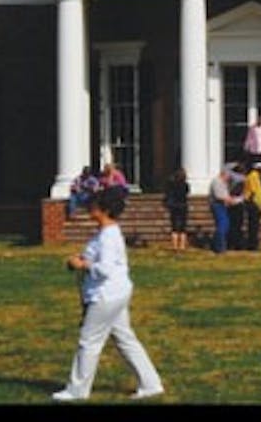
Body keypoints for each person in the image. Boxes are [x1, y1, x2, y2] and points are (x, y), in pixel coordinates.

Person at [52, 186, 164, 402]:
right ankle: (151, 384)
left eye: (93, 206)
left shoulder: (108, 237)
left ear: (103, 210)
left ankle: (77, 391)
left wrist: (82, 264)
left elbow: (105, 269)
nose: (89, 209)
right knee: (124, 338)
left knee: (89, 341)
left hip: (106, 295)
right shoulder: (106, 233)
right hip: (115, 293)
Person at [208, 163, 242, 254]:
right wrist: (235, 200)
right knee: (222, 225)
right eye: (229, 176)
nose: (229, 178)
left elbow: (226, 196)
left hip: (223, 205)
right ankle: (219, 247)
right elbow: (220, 196)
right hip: (217, 205)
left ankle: (218, 245)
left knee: (225, 225)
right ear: (224, 174)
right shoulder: (217, 182)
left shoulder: (223, 183)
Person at [163, 167, 190, 251]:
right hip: (183, 205)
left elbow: (167, 193)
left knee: (174, 226)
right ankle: (182, 245)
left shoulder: (171, 184)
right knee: (183, 227)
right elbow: (187, 193)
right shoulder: (185, 185)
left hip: (174, 206)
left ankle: (174, 245)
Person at [242, 160, 261, 251]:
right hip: (253, 204)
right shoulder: (253, 177)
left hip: (255, 203)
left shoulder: (256, 176)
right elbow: (253, 191)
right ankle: (252, 245)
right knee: (253, 226)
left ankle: (253, 244)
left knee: (254, 226)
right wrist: (259, 206)